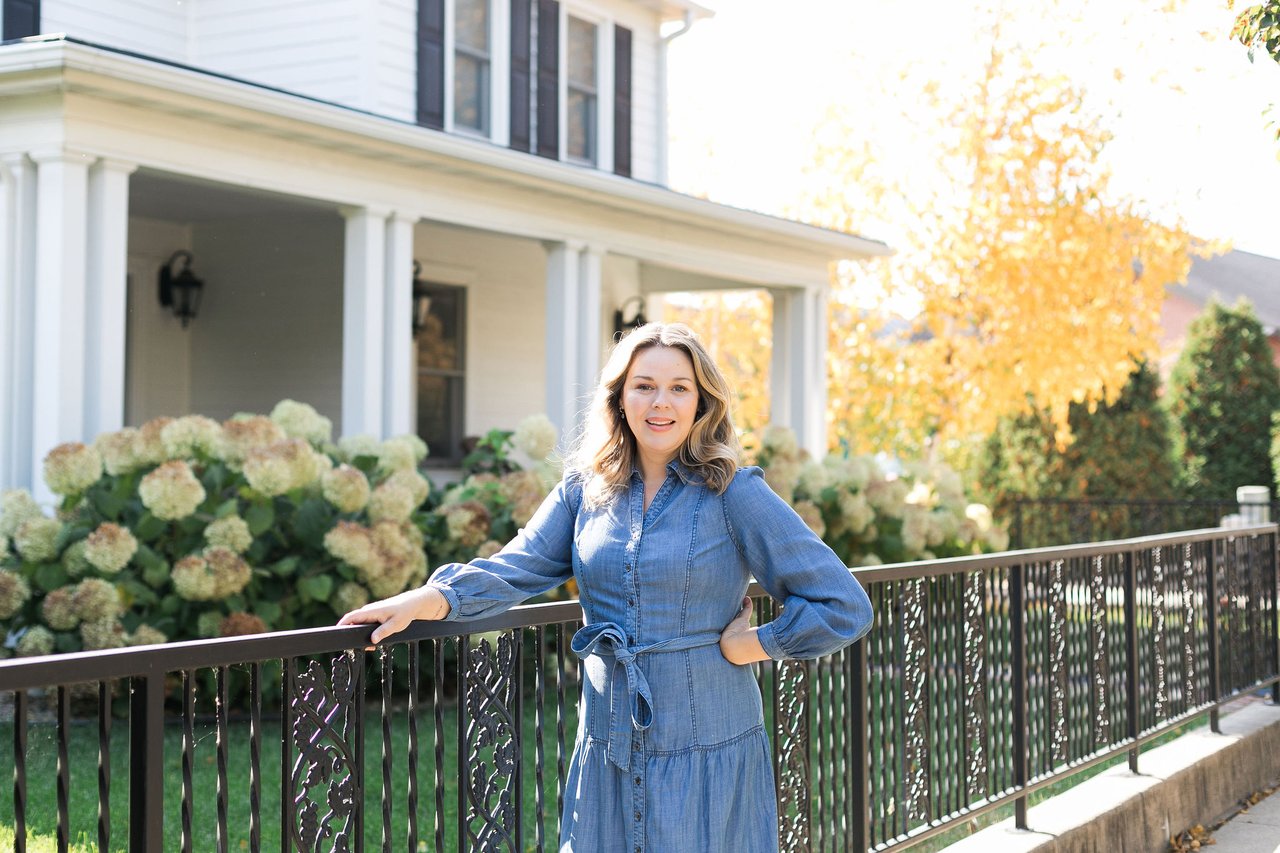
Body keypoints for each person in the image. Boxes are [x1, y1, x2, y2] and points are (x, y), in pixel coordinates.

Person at [338, 322, 874, 852]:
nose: (659, 403)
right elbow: (516, 566)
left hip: (707, 740)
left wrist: (752, 645)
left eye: (678, 388)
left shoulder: (733, 491)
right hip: (608, 738)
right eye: (644, 386)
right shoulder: (584, 490)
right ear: (619, 398)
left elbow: (843, 604)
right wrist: (424, 600)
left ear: (701, 403)